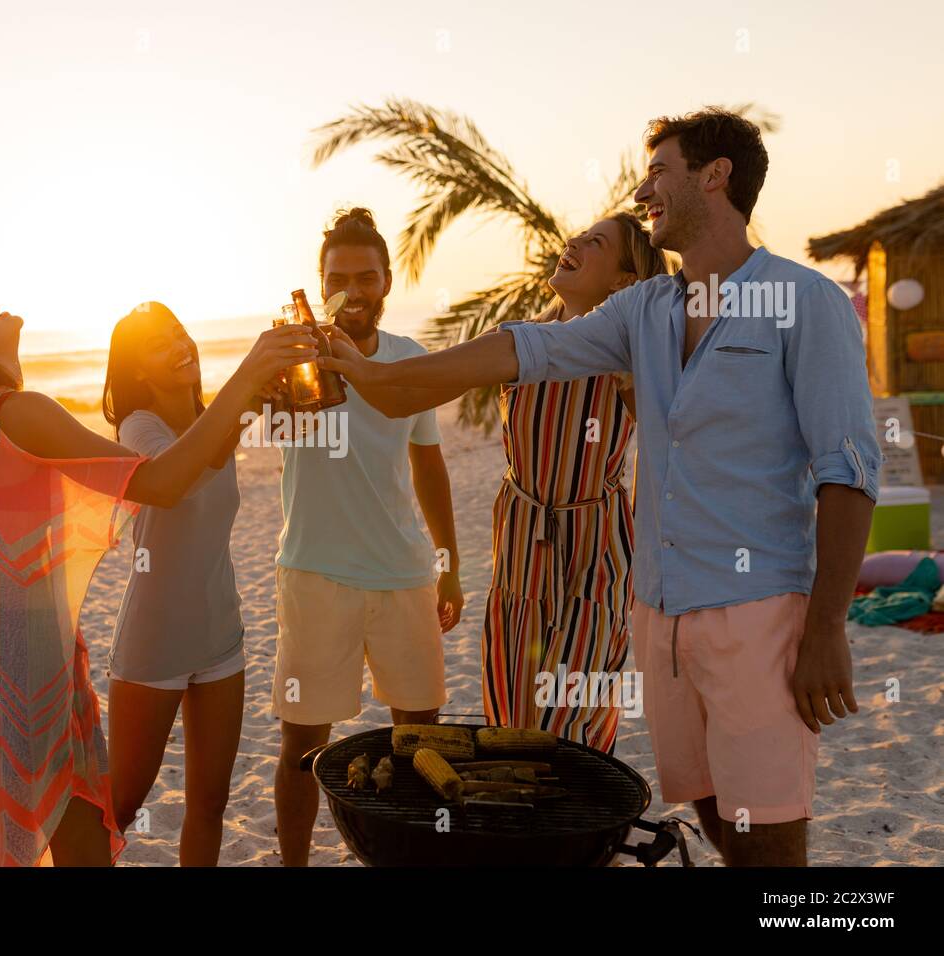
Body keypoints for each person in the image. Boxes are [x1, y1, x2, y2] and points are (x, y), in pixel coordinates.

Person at [319, 109, 880, 866]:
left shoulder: (803, 302)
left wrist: (826, 628)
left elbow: (848, 473)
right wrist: (382, 380)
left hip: (758, 614)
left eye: (660, 171)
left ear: (715, 178)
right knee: (715, 810)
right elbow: (525, 347)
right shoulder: (645, 309)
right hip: (657, 614)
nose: (643, 188)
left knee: (768, 830)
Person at [0, 287, 313, 866]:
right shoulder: (15, 412)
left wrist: (244, 401)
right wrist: (252, 368)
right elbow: (157, 483)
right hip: (16, 678)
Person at [327, 213, 668, 753]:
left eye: (595, 242)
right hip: (520, 541)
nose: (573, 240)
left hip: (595, 544)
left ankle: (572, 831)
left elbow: (671, 437)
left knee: (575, 720)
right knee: (514, 713)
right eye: (579, 233)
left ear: (625, 282)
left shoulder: (631, 349)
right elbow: (404, 398)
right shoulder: (518, 341)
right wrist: (350, 366)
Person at [272, 208, 463, 866]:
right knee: (302, 742)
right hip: (315, 573)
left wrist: (451, 566)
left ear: (386, 280)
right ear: (319, 284)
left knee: (419, 739)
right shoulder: (296, 357)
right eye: (336, 278)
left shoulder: (411, 360)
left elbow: (429, 464)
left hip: (406, 573)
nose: (351, 291)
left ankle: (410, 857)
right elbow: (256, 425)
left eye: (365, 277)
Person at [101, 302, 263, 866]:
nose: (180, 344)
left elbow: (217, 444)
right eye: (159, 343)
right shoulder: (138, 428)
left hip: (222, 635)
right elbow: (178, 480)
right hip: (155, 643)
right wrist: (249, 384)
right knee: (121, 805)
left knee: (210, 803)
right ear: (138, 371)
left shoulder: (214, 420)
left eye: (179, 332)